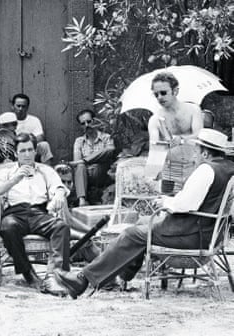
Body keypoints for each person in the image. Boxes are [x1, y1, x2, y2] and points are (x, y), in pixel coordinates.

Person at [54, 128, 234, 299]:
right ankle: (118, 275)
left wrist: (165, 202)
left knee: (132, 234)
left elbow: (185, 205)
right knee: (142, 222)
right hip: (210, 233)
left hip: (191, 235)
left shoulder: (206, 170)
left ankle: (83, 280)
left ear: (205, 153)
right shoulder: (228, 168)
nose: (194, 154)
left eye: (197, 150)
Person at [0, 132, 70, 296]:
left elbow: (58, 186)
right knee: (7, 227)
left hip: (39, 213)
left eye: (30, 150)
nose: (27, 154)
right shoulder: (6, 172)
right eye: (23, 151)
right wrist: (14, 180)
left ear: (35, 151)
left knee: (61, 227)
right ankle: (29, 274)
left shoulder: (45, 171)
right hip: (16, 213)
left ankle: (54, 276)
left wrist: (58, 195)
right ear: (16, 153)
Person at [148, 72, 203, 194]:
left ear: (175, 91)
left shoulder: (193, 110)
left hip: (193, 168)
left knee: (193, 207)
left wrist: (181, 139)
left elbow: (200, 135)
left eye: (163, 93)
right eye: (155, 94)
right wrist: (153, 173)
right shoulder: (155, 119)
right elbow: (154, 148)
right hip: (170, 172)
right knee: (168, 207)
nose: (159, 97)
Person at [71, 109, 115, 206]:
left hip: (101, 173)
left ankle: (85, 161)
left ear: (95, 121)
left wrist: (86, 160)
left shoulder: (106, 137)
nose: (87, 125)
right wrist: (84, 163)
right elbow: (77, 163)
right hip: (86, 176)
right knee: (80, 166)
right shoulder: (79, 141)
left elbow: (110, 150)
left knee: (108, 150)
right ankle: (82, 200)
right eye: (83, 123)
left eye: (89, 121)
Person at [12, 93, 53, 164]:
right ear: (13, 106)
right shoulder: (7, 120)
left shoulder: (34, 120)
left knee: (44, 145)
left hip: (31, 148)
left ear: (27, 107)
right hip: (14, 150)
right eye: (18, 106)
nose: (20, 109)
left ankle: (47, 172)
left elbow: (40, 137)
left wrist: (26, 144)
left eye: (23, 106)